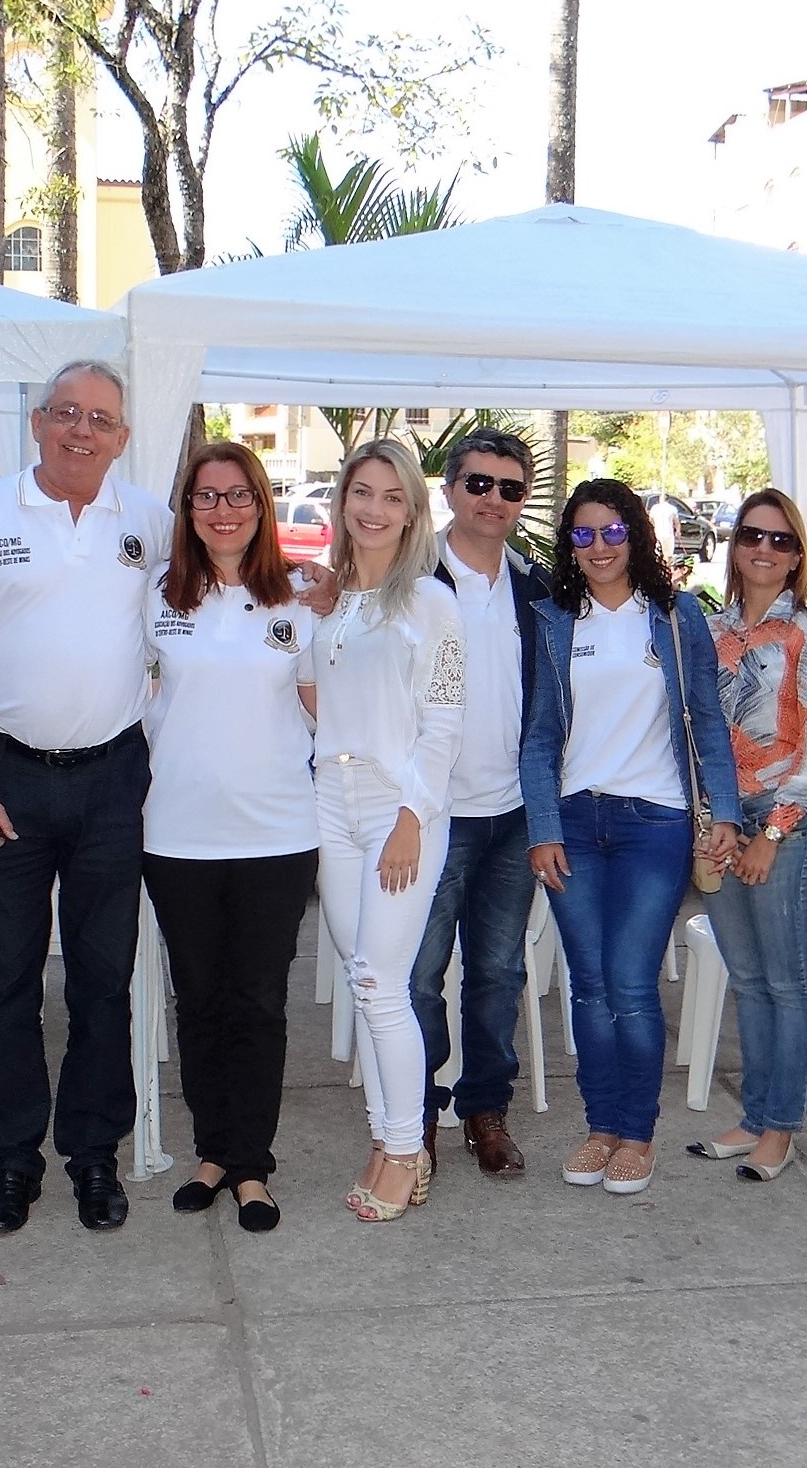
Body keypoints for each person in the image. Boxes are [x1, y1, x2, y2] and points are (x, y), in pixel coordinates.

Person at [0, 360, 168, 1235]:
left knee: (104, 981)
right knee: (4, 979)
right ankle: (13, 1159)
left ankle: (94, 1156)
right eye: (66, 412)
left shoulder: (148, 521)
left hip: (112, 781)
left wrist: (315, 590)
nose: (80, 429)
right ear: (36, 421)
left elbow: (229, 580)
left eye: (99, 419)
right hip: (7, 777)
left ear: (122, 439)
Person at [524, 478, 739, 1196]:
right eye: (582, 535)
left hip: (656, 821)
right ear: (569, 545)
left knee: (630, 985)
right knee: (587, 987)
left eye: (611, 532)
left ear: (635, 537)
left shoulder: (675, 619)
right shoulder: (554, 619)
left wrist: (729, 814)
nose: (598, 547)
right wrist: (542, 828)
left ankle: (637, 1133)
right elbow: (536, 738)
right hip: (575, 823)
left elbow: (706, 721)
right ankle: (601, 1128)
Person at [142, 442, 318, 1234]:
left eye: (238, 495)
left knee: (258, 1002)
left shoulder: (300, 602)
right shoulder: (155, 598)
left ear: (260, 506)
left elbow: (327, 707)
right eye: (207, 497)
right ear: (188, 510)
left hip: (277, 833)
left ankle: (251, 1165)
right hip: (177, 834)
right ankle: (211, 1151)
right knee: (201, 1000)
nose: (222, 510)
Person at [314, 438, 463, 1223]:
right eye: (360, 492)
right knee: (359, 978)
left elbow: (443, 724)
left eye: (391, 497)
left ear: (411, 514)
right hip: (329, 804)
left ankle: (407, 1150)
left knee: (380, 982)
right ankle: (383, 1137)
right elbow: (317, 695)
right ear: (342, 500)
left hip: (396, 811)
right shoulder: (333, 600)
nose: (372, 509)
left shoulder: (431, 603)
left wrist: (411, 815)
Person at [404, 427, 552, 1177]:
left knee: (497, 975)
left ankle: (485, 1110)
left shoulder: (536, 589)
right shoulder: (409, 579)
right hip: (431, 816)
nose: (493, 499)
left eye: (509, 488)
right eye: (478, 484)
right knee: (419, 974)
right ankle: (418, 1114)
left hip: (512, 815)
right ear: (450, 490)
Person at [687, 490, 807, 1183]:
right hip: (720, 821)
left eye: (781, 541)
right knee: (747, 980)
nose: (764, 550)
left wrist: (771, 833)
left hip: (787, 825)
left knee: (786, 982)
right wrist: (708, 823)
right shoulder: (707, 629)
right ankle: (752, 1118)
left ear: (796, 556)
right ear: (735, 543)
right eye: (753, 535)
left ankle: (780, 1126)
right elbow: (693, 730)